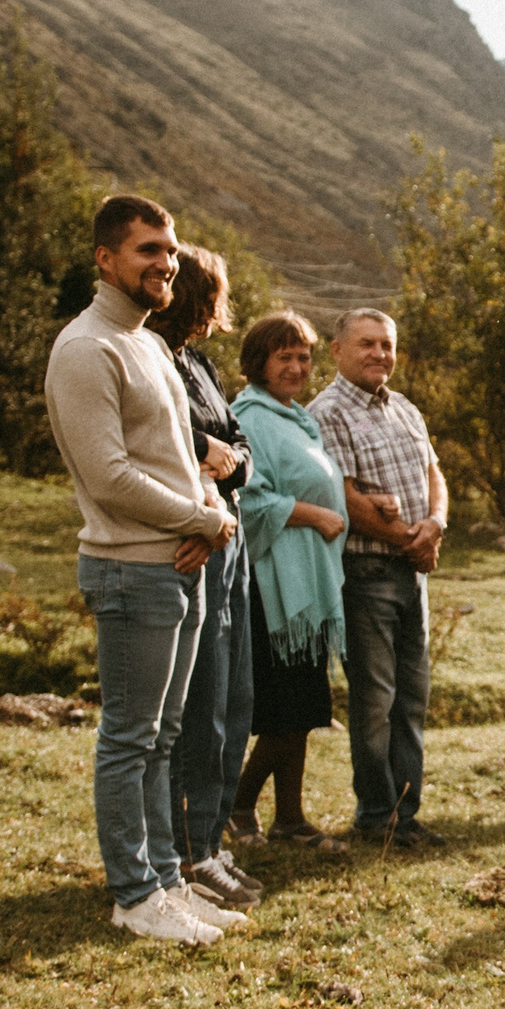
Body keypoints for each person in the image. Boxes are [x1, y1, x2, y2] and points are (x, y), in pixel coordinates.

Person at [43, 194, 247, 946]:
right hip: (130, 569)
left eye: (169, 250)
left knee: (165, 738)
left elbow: (180, 457)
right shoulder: (85, 347)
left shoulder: (151, 346)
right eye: (146, 251)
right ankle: (133, 893)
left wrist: (204, 515)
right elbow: (109, 476)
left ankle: (167, 882)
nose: (165, 264)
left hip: (178, 563)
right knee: (130, 737)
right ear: (105, 258)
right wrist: (204, 519)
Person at [147, 244, 265, 911]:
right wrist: (208, 451)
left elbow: (242, 453)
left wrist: (228, 457)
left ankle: (213, 842)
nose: (219, 310)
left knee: (233, 695)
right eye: (215, 294)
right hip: (195, 534)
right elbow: (170, 439)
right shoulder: (154, 360)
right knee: (198, 704)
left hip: (231, 534)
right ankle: (190, 848)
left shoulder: (200, 365)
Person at [310, 309, 443, 848]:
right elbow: (339, 495)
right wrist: (409, 541)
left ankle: (404, 816)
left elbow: (436, 474)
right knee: (375, 700)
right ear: (337, 350)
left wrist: (434, 525)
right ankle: (375, 816)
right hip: (366, 571)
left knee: (412, 697)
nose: (379, 354)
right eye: (366, 344)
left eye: (386, 345)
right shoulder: (327, 412)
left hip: (413, 571)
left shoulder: (405, 408)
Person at [227, 311, 350, 852]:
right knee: (288, 708)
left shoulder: (296, 418)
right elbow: (248, 500)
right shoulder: (248, 417)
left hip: (308, 582)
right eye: (285, 357)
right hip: (275, 582)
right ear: (259, 363)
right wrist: (314, 515)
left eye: (303, 357)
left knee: (302, 707)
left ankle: (291, 819)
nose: (297, 367)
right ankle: (237, 802)